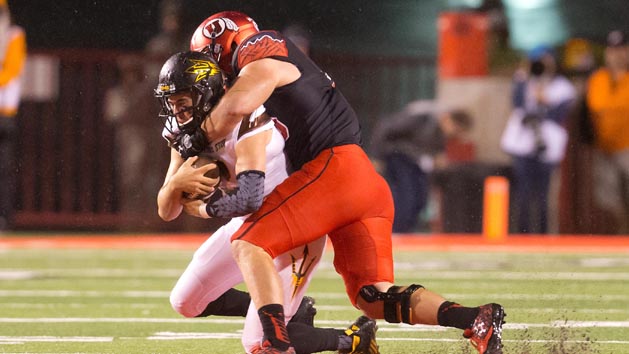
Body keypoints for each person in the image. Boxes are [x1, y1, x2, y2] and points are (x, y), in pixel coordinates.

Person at [186, 11, 506, 354]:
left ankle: (276, 341)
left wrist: (190, 139)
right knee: (374, 296)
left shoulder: (259, 48)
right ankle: (475, 319)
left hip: (332, 170)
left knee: (249, 243)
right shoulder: (274, 63)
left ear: (223, 46)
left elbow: (237, 103)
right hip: (361, 181)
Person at [154, 51, 378, 354]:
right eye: (171, 102)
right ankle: (292, 314)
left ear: (206, 92)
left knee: (259, 343)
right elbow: (167, 211)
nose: (177, 111)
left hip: (293, 229)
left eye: (183, 100)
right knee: (185, 301)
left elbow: (249, 198)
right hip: (248, 229)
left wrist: (203, 208)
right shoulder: (184, 131)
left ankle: (352, 340)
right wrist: (175, 185)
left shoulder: (246, 117)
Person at [500, 45, 576, 234]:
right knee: (523, 194)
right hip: (524, 146)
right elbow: (518, 106)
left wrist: (545, 100)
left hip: (547, 146)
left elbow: (559, 115)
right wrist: (524, 80)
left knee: (543, 196)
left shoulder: (562, 86)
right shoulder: (524, 81)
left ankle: (542, 235)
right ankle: (522, 235)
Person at [370, 100, 473, 233]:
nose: (454, 134)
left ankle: (406, 231)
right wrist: (376, 157)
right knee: (406, 198)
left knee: (420, 198)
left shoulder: (441, 132)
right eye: (456, 129)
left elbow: (433, 149)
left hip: (416, 163)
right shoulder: (421, 119)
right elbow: (385, 128)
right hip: (398, 157)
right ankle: (396, 231)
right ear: (447, 118)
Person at [585, 30, 629, 234]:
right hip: (604, 148)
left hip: (627, 146)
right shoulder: (599, 78)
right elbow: (596, 107)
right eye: (612, 50)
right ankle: (617, 239)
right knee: (609, 201)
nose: (616, 54)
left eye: (621, 49)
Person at [0, 0, 26, 231]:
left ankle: (4, 217)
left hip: (4, 111)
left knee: (4, 168)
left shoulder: (13, 34)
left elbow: (11, 71)